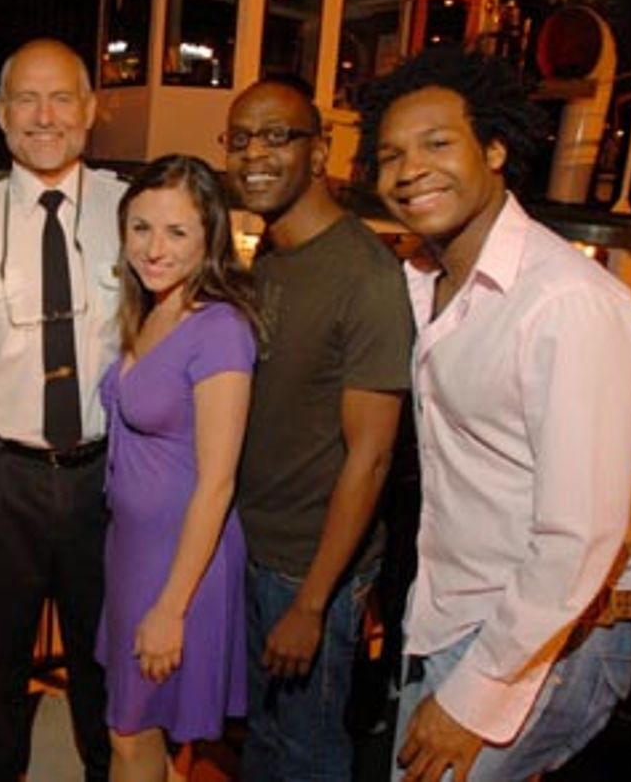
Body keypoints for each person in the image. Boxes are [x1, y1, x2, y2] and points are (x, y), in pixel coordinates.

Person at [354, 47, 631, 781]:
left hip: (540, 639)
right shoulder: (427, 282)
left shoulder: (567, 303)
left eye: (437, 143)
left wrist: (472, 698)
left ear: (494, 148)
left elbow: (578, 536)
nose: (410, 168)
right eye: (390, 155)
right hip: (454, 615)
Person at [0, 38, 124, 782]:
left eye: (63, 97)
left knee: (107, 669)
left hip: (107, 481)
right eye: (27, 100)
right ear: (2, 117)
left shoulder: (132, 211)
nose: (46, 117)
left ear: (91, 110)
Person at [224, 78, 413, 780]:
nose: (254, 155)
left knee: (307, 757)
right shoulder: (271, 254)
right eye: (240, 139)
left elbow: (371, 456)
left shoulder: (364, 274)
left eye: (277, 136)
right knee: (264, 742)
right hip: (253, 547)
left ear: (321, 150)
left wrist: (311, 602)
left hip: (309, 572)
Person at [96, 154, 258, 781]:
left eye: (176, 232)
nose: (154, 248)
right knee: (141, 737)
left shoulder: (219, 329)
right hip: (133, 550)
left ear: (210, 236)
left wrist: (171, 608)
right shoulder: (154, 307)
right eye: (140, 228)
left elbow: (218, 483)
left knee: (129, 734)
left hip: (178, 563)